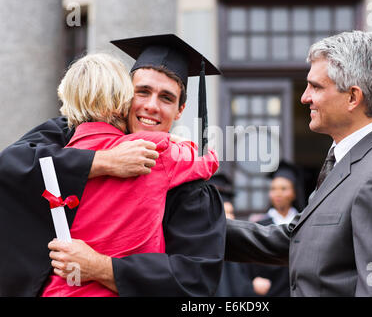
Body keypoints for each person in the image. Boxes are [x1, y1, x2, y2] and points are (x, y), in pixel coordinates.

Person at [0, 34, 225, 296]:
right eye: (142, 92)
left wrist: (102, 267)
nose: (151, 106)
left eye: (166, 98)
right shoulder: (70, 132)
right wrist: (102, 161)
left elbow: (194, 277)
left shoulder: (191, 188)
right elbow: (11, 165)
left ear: (180, 110)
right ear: (123, 95)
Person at [225, 31, 372, 296]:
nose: (304, 97)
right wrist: (198, 225)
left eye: (316, 86)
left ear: (353, 97)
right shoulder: (345, 161)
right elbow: (295, 239)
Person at [245, 161, 303, 297]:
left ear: (294, 193)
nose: (278, 193)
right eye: (273, 189)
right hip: (268, 291)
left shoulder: (302, 222)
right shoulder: (260, 224)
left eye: (283, 189)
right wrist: (254, 279)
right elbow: (250, 262)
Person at [209, 174, 254, 297]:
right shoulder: (206, 248)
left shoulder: (238, 245)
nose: (231, 217)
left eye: (231, 212)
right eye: (226, 212)